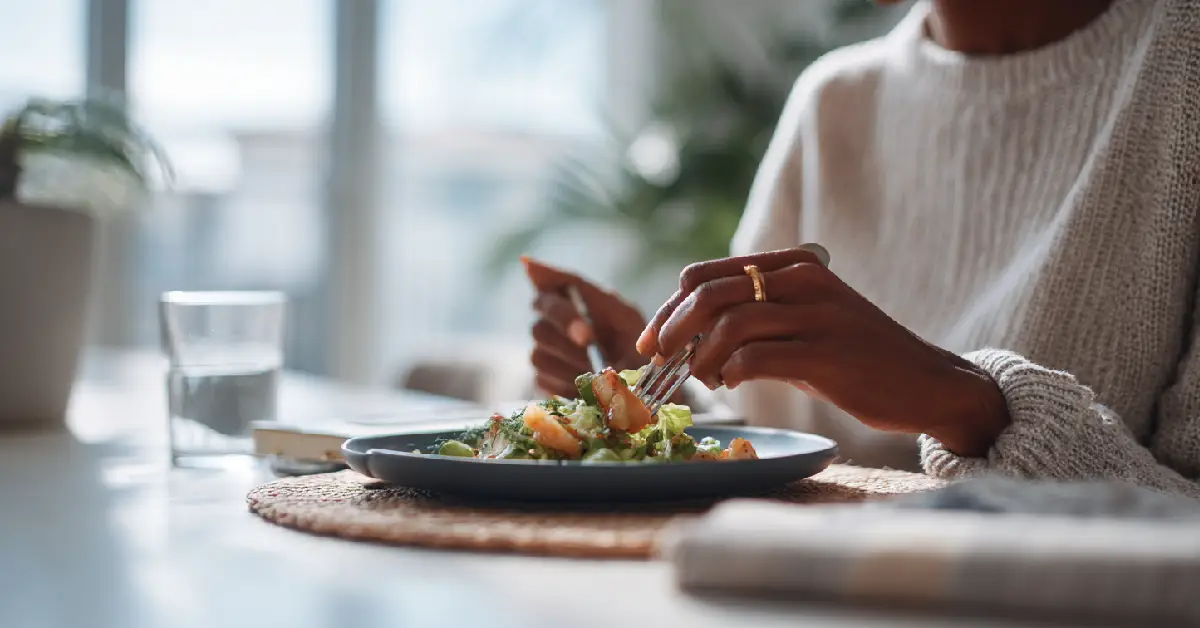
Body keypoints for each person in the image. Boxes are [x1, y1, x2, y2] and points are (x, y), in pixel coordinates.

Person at [523, 0, 1200, 498]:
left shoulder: (1182, 71)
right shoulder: (834, 102)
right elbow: (768, 439)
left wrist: (968, 409)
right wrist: (651, 399)